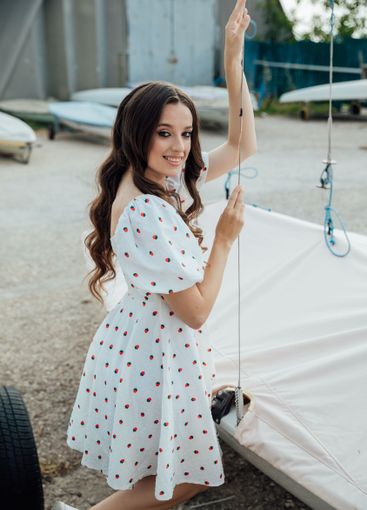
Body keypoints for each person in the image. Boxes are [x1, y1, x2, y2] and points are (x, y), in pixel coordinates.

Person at [54, 1, 256, 509]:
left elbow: (241, 145)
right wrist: (226, 239)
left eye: (186, 133)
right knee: (185, 477)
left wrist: (233, 63)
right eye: (164, 132)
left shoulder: (156, 180)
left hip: (142, 343)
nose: (179, 147)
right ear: (136, 131)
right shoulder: (146, 207)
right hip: (155, 354)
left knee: (165, 472)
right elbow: (197, 310)